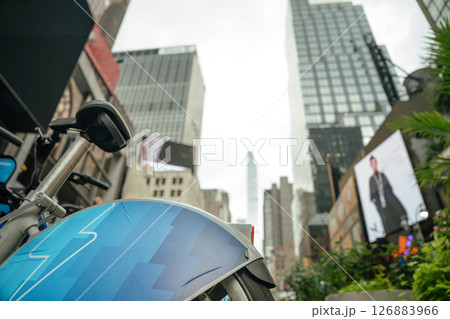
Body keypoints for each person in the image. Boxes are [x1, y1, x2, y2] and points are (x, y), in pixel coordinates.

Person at [369, 156, 407, 235]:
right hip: (380, 203)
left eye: (375, 162)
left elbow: (389, 187)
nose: (374, 164)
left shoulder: (382, 175)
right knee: (386, 219)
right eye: (372, 163)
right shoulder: (371, 179)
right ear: (371, 165)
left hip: (388, 199)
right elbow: (372, 195)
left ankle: (402, 218)